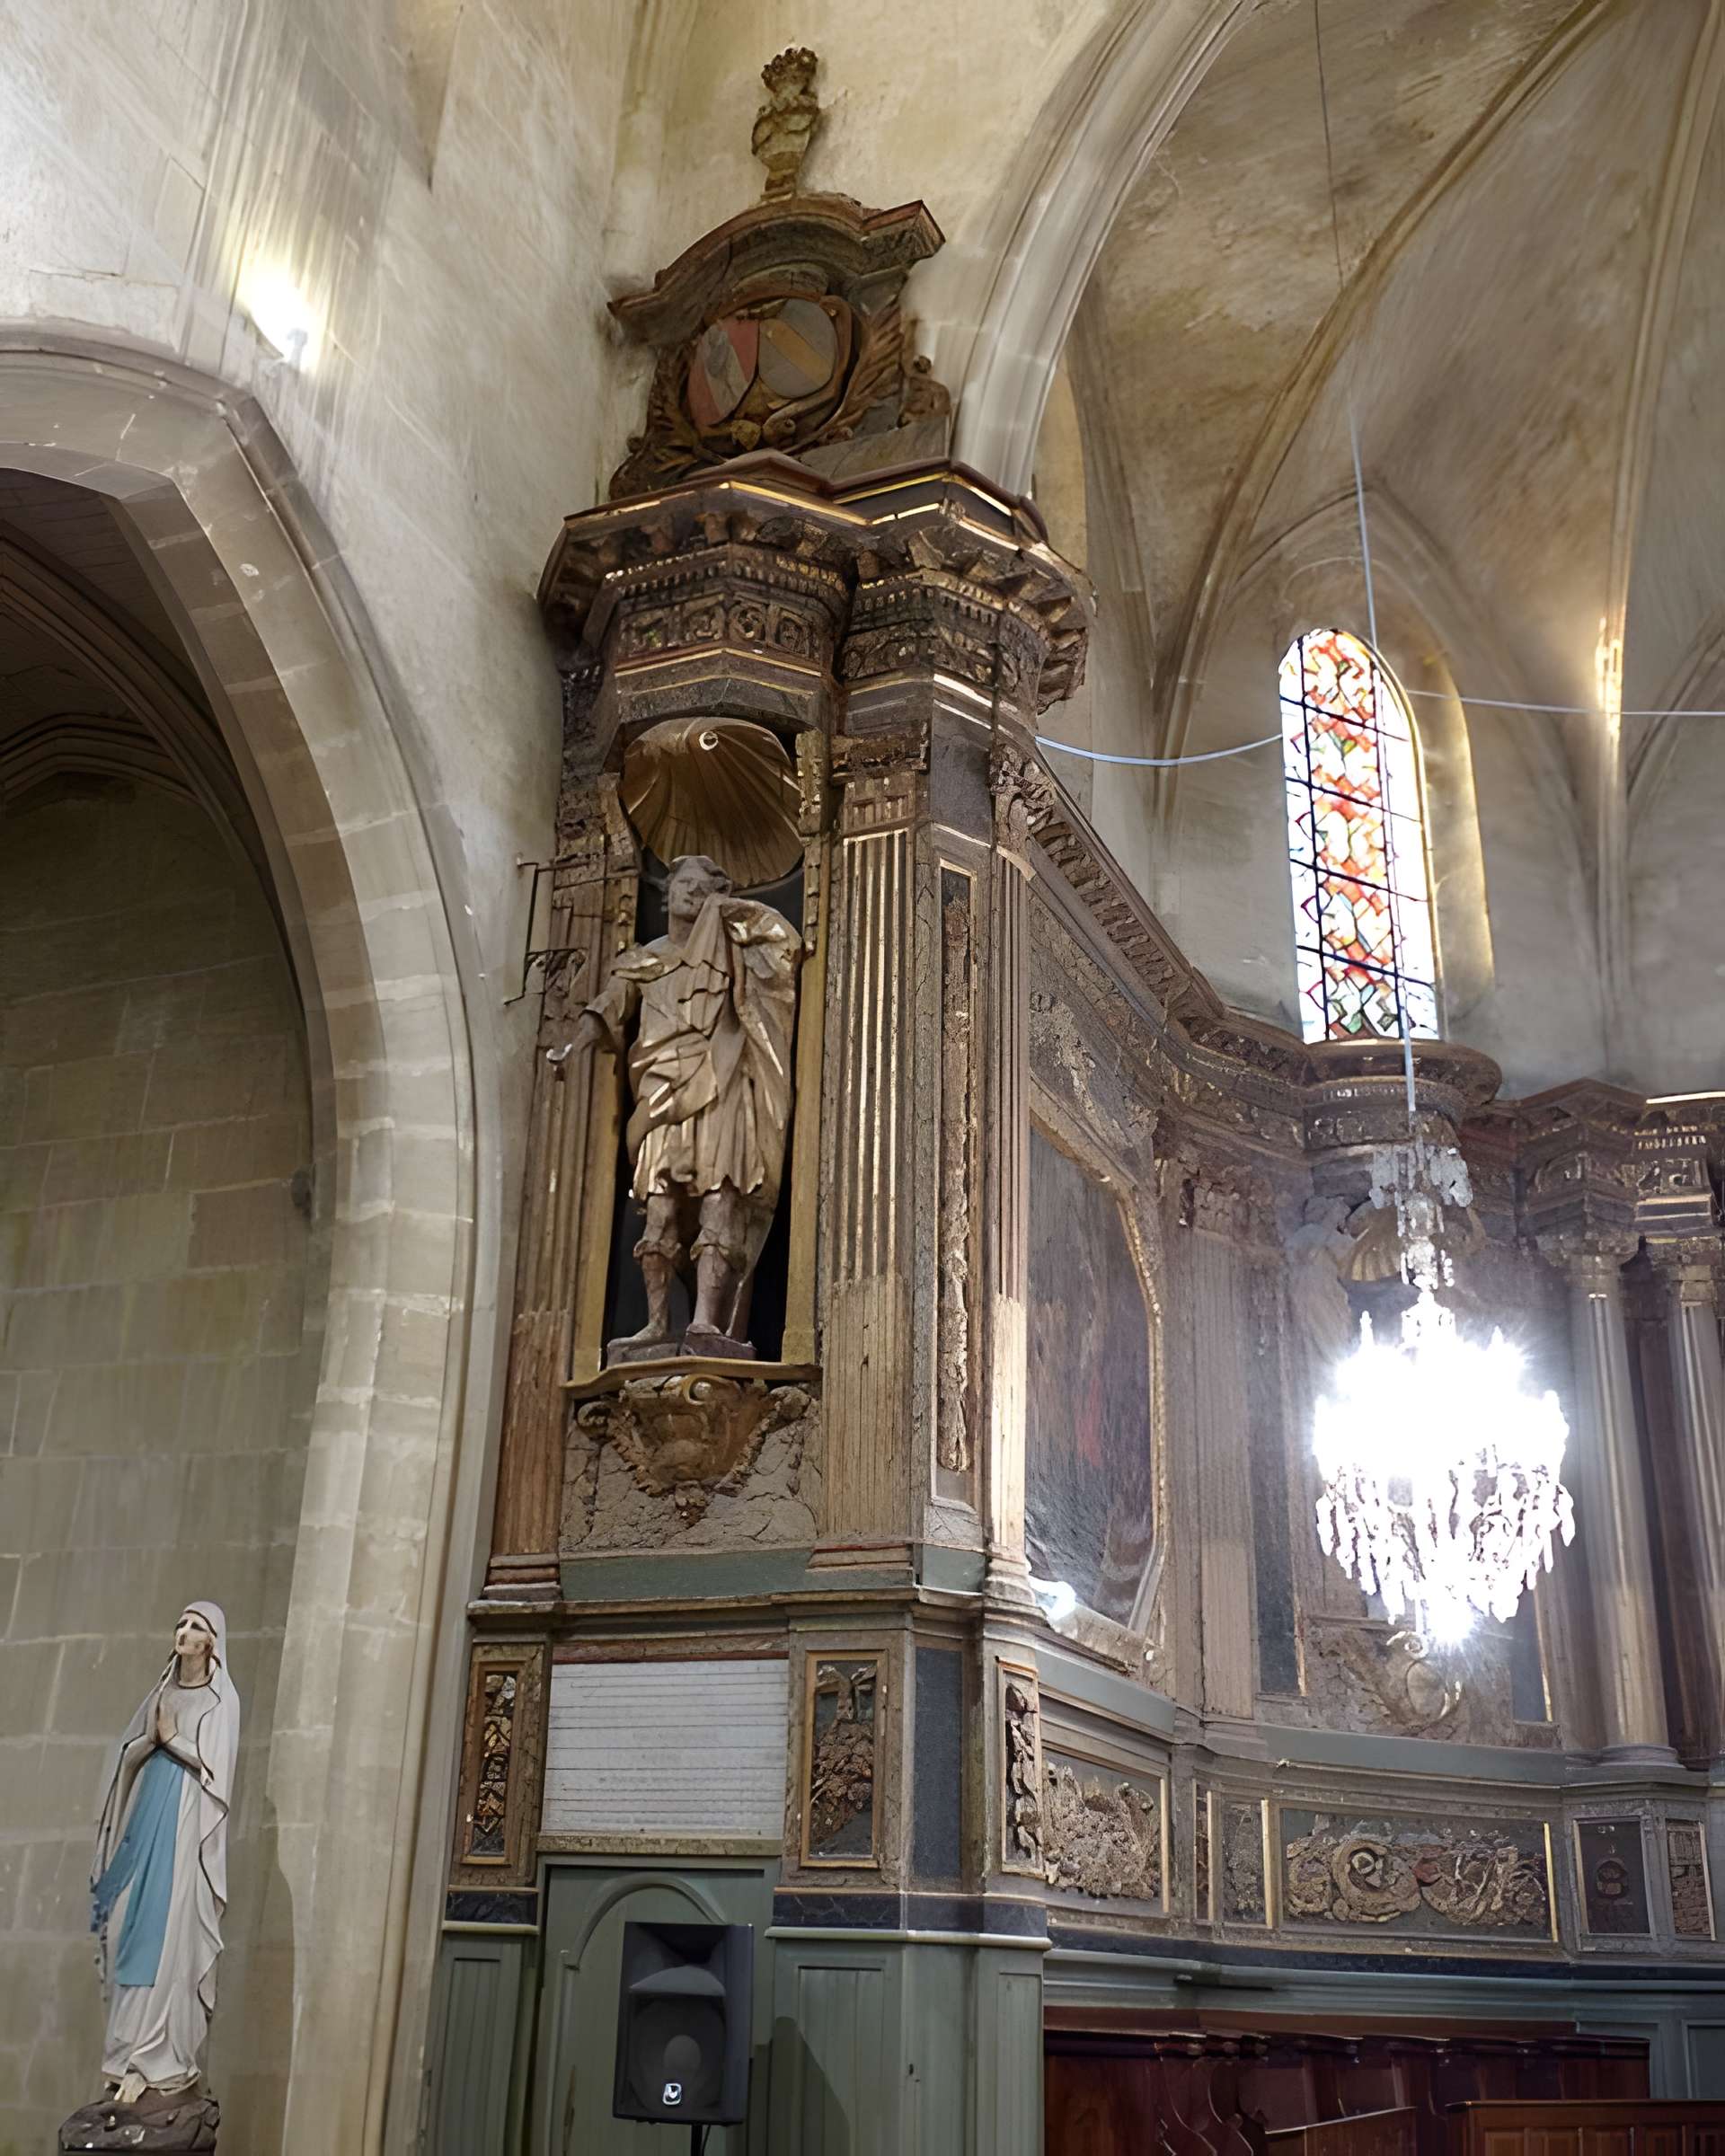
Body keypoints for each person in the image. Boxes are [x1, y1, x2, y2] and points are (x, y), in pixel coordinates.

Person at [556, 853, 801, 1357]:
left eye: (702, 886)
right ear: (667, 892)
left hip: (721, 1086)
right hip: (660, 1094)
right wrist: (571, 1047)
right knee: (661, 1209)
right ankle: (657, 1324)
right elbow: (607, 1008)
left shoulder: (734, 952)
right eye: (684, 883)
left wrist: (734, 911)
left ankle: (708, 1324)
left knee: (721, 1198)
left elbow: (785, 948)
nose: (692, 893)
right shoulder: (644, 959)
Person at [88, 1603, 240, 2108]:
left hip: (185, 1826)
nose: (185, 1631)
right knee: (129, 1922)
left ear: (212, 1642)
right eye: (180, 1622)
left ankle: (160, 2057)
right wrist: (146, 1745)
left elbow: (218, 1774)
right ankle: (124, 2051)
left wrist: (174, 1741)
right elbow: (128, 1756)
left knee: (170, 1929)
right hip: (146, 1816)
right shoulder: (161, 1693)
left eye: (197, 1626)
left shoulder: (221, 1701)